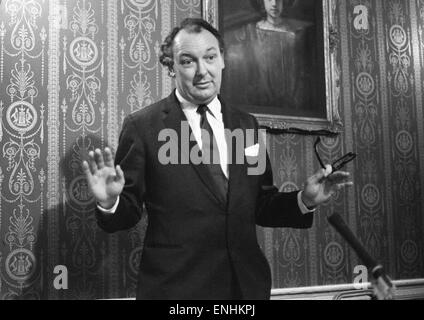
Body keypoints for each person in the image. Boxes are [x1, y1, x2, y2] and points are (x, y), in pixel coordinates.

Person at [82, 18, 352, 300]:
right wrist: (109, 202)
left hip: (245, 289)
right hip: (174, 291)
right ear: (171, 67)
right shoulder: (143, 127)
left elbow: (261, 203)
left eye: (210, 57)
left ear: (222, 59)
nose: (202, 71)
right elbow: (125, 215)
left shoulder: (245, 125)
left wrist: (304, 199)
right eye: (188, 61)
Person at [224, 0, 317, 114]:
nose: (274, 4)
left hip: (289, 100)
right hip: (259, 98)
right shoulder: (251, 31)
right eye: (269, 0)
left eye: (279, 0)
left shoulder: (295, 33)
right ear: (262, 2)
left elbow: (300, 70)